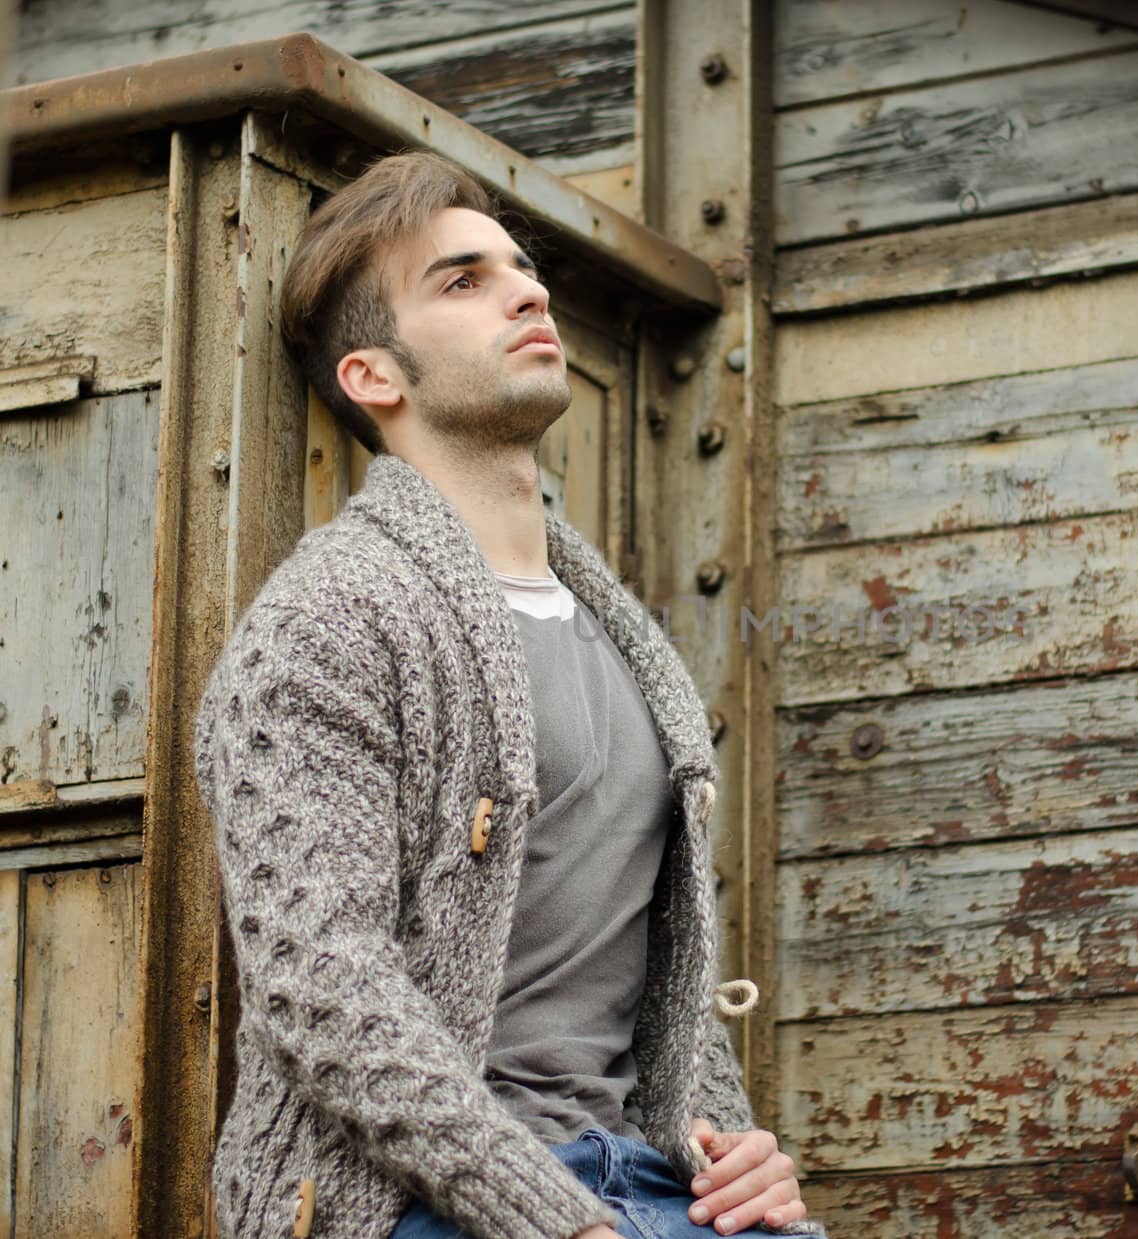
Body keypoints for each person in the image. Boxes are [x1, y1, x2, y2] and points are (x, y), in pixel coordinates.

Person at [191, 151, 824, 1239]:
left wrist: (738, 1156)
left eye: (522, 269)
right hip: (419, 1207)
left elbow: (638, 980)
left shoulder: (619, 635)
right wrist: (547, 1215)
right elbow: (318, 983)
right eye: (461, 281)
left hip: (655, 1189)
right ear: (374, 378)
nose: (527, 291)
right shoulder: (328, 619)